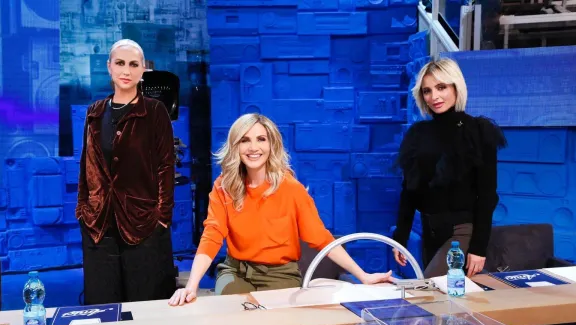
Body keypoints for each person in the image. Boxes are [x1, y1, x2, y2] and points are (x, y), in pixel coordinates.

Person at [169, 113, 393, 306]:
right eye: (245, 140)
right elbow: (212, 236)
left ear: (271, 145)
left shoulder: (290, 188)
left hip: (280, 275)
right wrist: (191, 286)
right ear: (235, 146)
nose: (253, 147)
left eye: (261, 139)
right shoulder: (223, 186)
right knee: (236, 318)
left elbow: (321, 239)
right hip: (236, 271)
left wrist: (363, 276)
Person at [76, 39, 176, 305]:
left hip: (142, 222)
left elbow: (166, 166)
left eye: (133, 64)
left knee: (145, 304)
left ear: (143, 69)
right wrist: (83, 209)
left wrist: (162, 217)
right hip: (98, 222)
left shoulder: (154, 111)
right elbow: (87, 165)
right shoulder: (95, 112)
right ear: (109, 66)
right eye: (120, 63)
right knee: (103, 305)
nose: (126, 70)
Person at [392, 58, 507, 279]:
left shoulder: (478, 131)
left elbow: (487, 195)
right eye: (427, 91)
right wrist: (400, 237)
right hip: (429, 233)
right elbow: (409, 191)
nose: (434, 96)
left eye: (441, 87)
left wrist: (479, 248)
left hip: (461, 232)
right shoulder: (418, 133)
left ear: (456, 87)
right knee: (446, 296)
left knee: (432, 289)